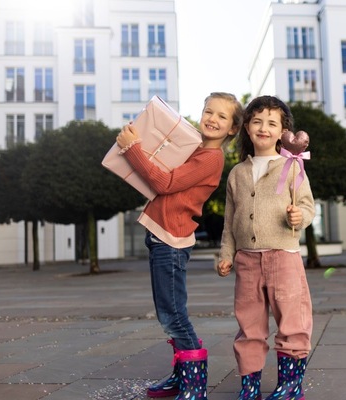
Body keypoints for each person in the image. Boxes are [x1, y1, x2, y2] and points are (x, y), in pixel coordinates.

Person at [117, 92, 243, 400]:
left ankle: (194, 384)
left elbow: (164, 183)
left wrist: (132, 148)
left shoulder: (211, 158)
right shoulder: (194, 147)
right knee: (167, 313)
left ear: (232, 129)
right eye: (208, 111)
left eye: (221, 116)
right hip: (161, 234)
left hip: (171, 239)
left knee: (172, 314)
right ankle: (181, 375)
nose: (212, 119)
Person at [216, 95, 315, 400]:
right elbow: (230, 220)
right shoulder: (237, 174)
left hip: (284, 257)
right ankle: (250, 385)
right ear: (246, 127)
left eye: (272, 123)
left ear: (283, 131)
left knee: (293, 320)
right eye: (257, 121)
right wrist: (226, 253)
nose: (264, 127)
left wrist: (300, 216)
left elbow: (307, 206)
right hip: (247, 260)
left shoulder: (292, 166)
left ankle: (290, 384)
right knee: (250, 324)